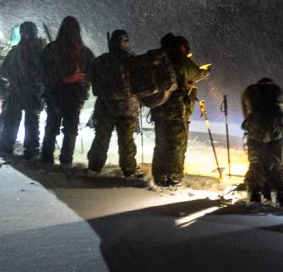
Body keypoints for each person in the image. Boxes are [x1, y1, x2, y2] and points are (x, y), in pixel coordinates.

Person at [150, 34, 210, 186]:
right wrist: (206, 71)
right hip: (175, 109)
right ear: (181, 47)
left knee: (161, 142)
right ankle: (174, 177)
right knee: (177, 143)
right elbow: (197, 73)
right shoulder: (179, 58)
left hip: (157, 107)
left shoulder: (158, 58)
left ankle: (159, 175)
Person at [39, 16, 94, 167]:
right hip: (73, 97)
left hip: (56, 96)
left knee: (52, 128)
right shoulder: (83, 52)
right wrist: (79, 78)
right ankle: (65, 159)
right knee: (70, 130)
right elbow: (92, 72)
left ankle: (47, 158)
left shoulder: (51, 49)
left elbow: (43, 73)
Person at [86, 30, 139, 177]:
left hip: (105, 107)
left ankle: (94, 168)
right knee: (127, 141)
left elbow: (93, 83)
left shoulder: (100, 61)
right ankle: (129, 170)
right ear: (126, 42)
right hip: (128, 108)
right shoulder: (133, 60)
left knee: (101, 139)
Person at [0, 22, 46, 158]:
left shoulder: (16, 51)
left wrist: (14, 75)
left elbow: (4, 71)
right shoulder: (42, 51)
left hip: (19, 91)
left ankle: (6, 146)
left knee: (13, 120)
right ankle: (31, 149)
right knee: (31, 121)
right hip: (31, 91)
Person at [241, 77, 283, 206]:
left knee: (256, 162)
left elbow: (246, 112)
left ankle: (254, 195)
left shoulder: (250, 91)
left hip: (257, 129)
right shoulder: (278, 90)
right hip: (279, 129)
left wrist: (251, 125)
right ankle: (282, 195)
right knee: (277, 163)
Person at [0, 25, 20, 145]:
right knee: (12, 112)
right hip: (16, 87)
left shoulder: (3, 50)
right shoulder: (19, 51)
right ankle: (4, 139)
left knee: (7, 111)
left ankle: (0, 136)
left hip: (3, 86)